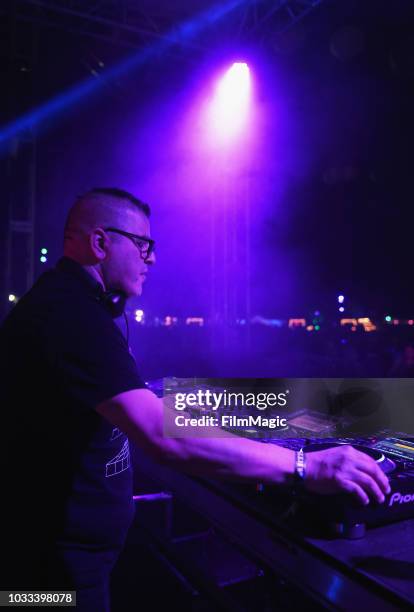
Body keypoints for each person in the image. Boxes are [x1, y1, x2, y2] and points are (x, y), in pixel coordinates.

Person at [0, 187, 390, 611]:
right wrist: (304, 465)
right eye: (143, 244)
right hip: (49, 578)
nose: (151, 259)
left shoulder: (72, 305)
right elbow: (161, 436)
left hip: (65, 559)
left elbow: (124, 401)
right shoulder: (71, 316)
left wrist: (245, 413)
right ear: (100, 242)